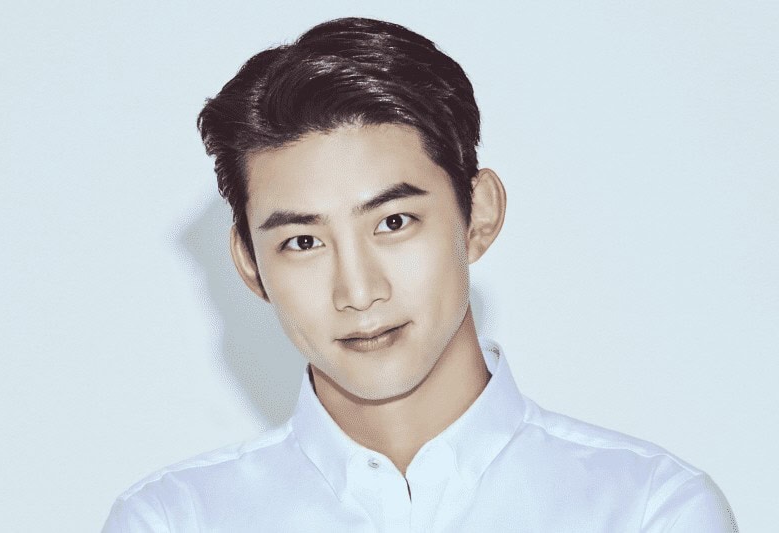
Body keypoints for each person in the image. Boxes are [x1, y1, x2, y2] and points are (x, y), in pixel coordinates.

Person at [103, 17, 737, 532]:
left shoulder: (650, 511)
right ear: (249, 262)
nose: (358, 292)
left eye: (394, 222)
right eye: (303, 241)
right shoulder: (172, 521)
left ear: (478, 214)